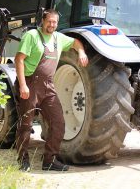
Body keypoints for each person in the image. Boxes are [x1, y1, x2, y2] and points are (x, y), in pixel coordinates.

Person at [14, 9, 88, 172]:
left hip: (49, 86)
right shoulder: (32, 36)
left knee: (58, 123)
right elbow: (19, 60)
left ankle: (49, 160)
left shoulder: (58, 38)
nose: (52, 25)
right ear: (43, 21)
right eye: (49, 22)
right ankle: (22, 159)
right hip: (30, 83)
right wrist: (22, 85)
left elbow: (76, 42)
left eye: (55, 22)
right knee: (26, 124)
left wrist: (81, 51)